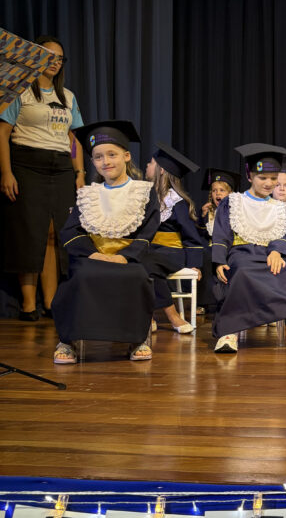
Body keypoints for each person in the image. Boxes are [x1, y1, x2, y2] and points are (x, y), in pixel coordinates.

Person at [51, 121, 159, 363]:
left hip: (129, 257)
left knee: (137, 277)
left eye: (112, 154)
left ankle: (137, 339)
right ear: (93, 162)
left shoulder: (143, 191)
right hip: (92, 256)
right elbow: (71, 231)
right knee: (79, 276)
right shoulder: (89, 194)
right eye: (98, 157)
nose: (105, 161)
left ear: (126, 156)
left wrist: (125, 256)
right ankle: (68, 340)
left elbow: (148, 231)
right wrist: (93, 254)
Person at [211, 143, 286, 353]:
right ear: (250, 176)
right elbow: (221, 233)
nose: (268, 183)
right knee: (242, 273)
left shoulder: (279, 208)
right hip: (242, 253)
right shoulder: (234, 202)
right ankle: (229, 332)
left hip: (269, 255)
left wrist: (276, 251)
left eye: (273, 179)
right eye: (262, 178)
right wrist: (219, 261)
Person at [1, 36, 85, 319]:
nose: (55, 62)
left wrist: (80, 173)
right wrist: (6, 172)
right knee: (30, 233)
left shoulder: (68, 97)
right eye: (49, 55)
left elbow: (74, 140)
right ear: (34, 56)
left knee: (53, 233)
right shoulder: (20, 91)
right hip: (27, 164)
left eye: (60, 58)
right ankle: (28, 304)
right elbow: (2, 133)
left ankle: (50, 302)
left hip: (60, 168)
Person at [144, 144, 205, 334]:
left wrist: (195, 264)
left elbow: (191, 236)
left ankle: (171, 315)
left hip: (171, 251)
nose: (147, 165)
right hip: (149, 250)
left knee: (147, 263)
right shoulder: (143, 196)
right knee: (139, 263)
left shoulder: (175, 201)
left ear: (161, 170)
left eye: (151, 163)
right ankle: (150, 316)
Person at [198, 167, 240, 315]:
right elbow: (202, 234)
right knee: (205, 255)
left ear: (230, 194)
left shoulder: (236, 211)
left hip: (230, 248)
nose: (218, 193)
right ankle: (206, 302)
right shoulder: (210, 212)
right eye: (214, 190)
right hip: (211, 248)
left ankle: (228, 301)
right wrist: (202, 218)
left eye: (222, 190)